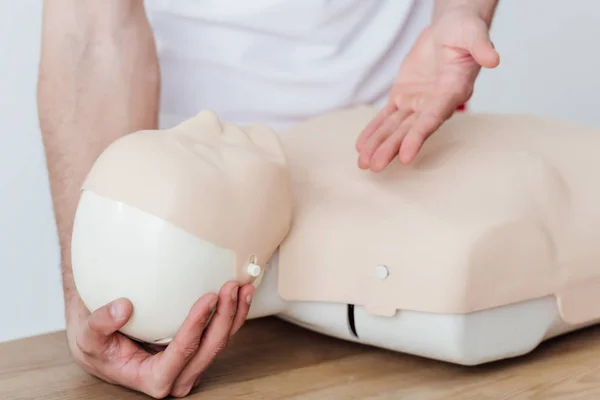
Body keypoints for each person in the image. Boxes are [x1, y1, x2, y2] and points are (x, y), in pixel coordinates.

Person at [36, 0, 499, 397]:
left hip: (401, 131)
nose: (206, 118)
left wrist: (461, 12)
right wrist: (92, 304)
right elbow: (91, 32)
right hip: (193, 234)